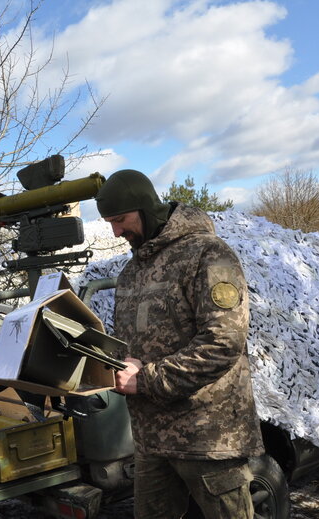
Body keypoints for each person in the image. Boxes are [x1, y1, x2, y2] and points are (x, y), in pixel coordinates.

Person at [95, 170, 264, 518]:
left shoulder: (208, 255)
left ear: (146, 209)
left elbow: (223, 342)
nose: (116, 232)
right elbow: (133, 346)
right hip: (152, 438)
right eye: (109, 222)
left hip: (207, 438)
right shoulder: (132, 271)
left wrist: (145, 379)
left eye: (120, 220)